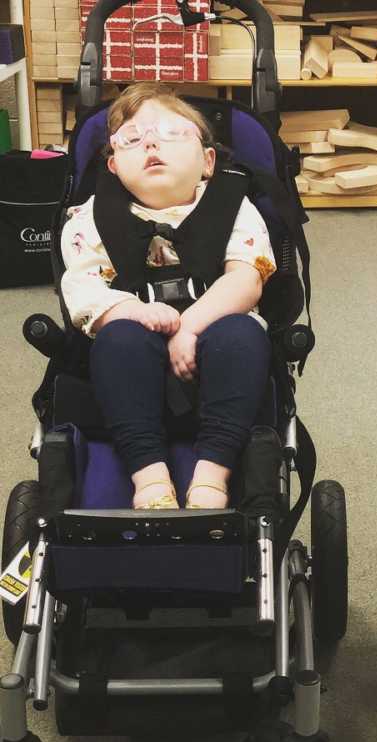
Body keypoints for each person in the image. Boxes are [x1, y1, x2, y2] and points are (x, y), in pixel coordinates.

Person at [60, 83, 277, 510]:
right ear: (114, 165)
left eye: (172, 134)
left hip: (216, 334)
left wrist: (189, 327)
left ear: (208, 161)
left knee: (243, 336)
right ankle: (149, 476)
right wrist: (134, 310)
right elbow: (81, 288)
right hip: (131, 347)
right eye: (133, 139)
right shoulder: (92, 219)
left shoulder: (234, 207)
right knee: (117, 340)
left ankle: (211, 476)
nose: (152, 144)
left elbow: (247, 277)